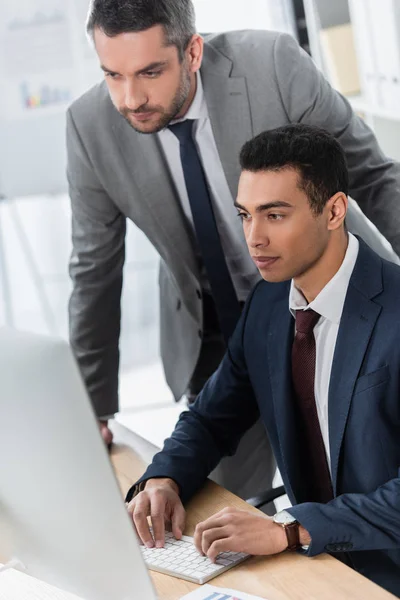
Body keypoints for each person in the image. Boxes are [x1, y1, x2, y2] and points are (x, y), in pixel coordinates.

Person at [67, 0, 400, 501]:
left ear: (193, 52)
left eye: (151, 71)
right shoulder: (89, 126)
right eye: (113, 74)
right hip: (218, 336)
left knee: (354, 492)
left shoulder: (272, 65)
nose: (131, 97)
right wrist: (92, 406)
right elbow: (95, 269)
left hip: (329, 306)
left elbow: (372, 176)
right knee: (214, 515)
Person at [126, 124, 400, 597]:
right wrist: (165, 476)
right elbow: (212, 417)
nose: (253, 238)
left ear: (334, 210)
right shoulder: (269, 306)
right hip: (312, 569)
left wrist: (290, 528)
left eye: (274, 215)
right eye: (245, 215)